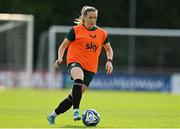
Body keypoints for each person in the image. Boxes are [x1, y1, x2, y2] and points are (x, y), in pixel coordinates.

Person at [47, 5, 113, 125]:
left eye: (95, 18)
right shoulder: (75, 30)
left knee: (72, 97)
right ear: (83, 18)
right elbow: (63, 46)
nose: (93, 20)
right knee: (78, 78)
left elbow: (109, 49)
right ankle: (76, 111)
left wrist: (109, 61)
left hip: (91, 68)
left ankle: (52, 115)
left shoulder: (102, 33)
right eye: (90, 18)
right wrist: (60, 57)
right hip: (74, 62)